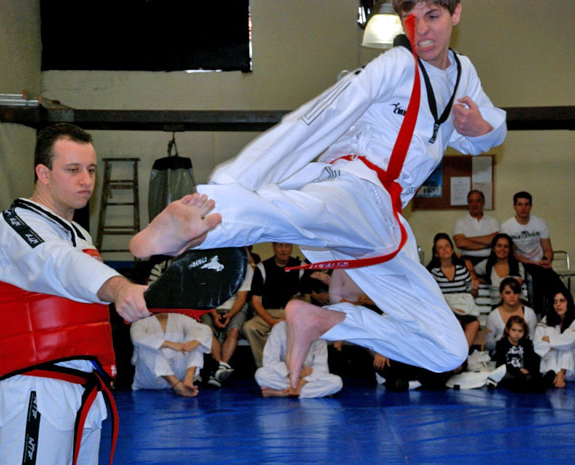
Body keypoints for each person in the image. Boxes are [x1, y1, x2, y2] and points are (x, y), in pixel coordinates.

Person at [132, 0, 506, 389]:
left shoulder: (464, 75)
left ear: (456, 13)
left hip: (384, 225)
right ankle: (207, 217)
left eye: (433, 17)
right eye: (410, 20)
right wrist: (232, 180)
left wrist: (481, 126)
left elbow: (491, 131)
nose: (422, 31)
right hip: (354, 184)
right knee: (301, 211)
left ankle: (326, 320)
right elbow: (319, 118)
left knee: (447, 349)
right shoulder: (396, 65)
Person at [0, 123, 221, 465]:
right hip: (36, 389)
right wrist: (119, 287)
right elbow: (61, 265)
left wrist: (177, 248)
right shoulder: (15, 225)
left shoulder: (78, 234)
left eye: (90, 170)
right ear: (43, 173)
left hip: (85, 387)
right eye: (73, 170)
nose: (86, 180)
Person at [500, 191, 566, 314]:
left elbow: (548, 250)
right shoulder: (507, 227)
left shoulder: (540, 223)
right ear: (514, 206)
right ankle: (537, 314)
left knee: (559, 288)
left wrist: (546, 260)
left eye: (526, 204)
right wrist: (533, 263)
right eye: (520, 204)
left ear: (531, 206)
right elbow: (512, 254)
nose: (523, 208)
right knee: (535, 280)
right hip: (521, 263)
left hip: (540, 264)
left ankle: (561, 316)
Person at [243, 242, 303, 367]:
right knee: (249, 328)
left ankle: (293, 366)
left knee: (302, 328)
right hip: (267, 313)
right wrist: (271, 321)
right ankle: (266, 366)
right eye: (279, 246)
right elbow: (255, 301)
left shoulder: (301, 267)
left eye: (287, 246)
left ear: (291, 248)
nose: (283, 250)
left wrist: (287, 317)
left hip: (292, 314)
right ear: (273, 247)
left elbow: (305, 298)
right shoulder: (262, 268)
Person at [200, 258, 254, 386]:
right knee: (207, 331)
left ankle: (218, 370)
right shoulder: (207, 265)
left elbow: (242, 298)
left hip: (235, 308)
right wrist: (214, 315)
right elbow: (205, 295)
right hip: (210, 307)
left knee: (234, 331)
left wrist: (230, 315)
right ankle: (220, 368)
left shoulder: (245, 267)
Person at [130, 313, 212, 397]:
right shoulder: (141, 321)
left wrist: (195, 342)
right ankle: (176, 385)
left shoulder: (179, 318)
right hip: (151, 377)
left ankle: (188, 380)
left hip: (180, 376)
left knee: (196, 339)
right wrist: (170, 344)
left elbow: (205, 329)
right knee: (146, 346)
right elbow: (136, 337)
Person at [255, 321, 343, 398]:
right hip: (287, 375)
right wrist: (295, 375)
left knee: (336, 382)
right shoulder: (279, 328)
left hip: (308, 378)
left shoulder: (318, 333)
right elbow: (270, 361)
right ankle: (307, 393)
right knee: (261, 374)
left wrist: (301, 382)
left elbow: (321, 367)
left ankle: (283, 393)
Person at [427, 233, 480, 349]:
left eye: (447, 246)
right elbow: (431, 297)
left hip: (462, 310)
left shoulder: (462, 270)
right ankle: (454, 357)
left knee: (474, 324)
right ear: (436, 254)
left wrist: (475, 289)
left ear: (452, 250)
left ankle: (461, 356)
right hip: (444, 312)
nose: (445, 249)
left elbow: (472, 295)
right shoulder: (433, 273)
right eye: (440, 248)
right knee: (456, 323)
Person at [493, 316, 549, 392]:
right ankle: (535, 386)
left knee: (531, 376)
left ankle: (539, 383)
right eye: (514, 330)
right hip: (510, 373)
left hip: (524, 373)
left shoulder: (527, 344)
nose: (517, 334)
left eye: (520, 331)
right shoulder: (501, 344)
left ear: (524, 332)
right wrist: (517, 370)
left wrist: (529, 371)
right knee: (512, 377)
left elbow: (532, 360)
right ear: (507, 330)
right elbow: (501, 364)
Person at [533, 290, 575, 388]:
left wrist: (550, 341)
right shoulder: (546, 319)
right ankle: (555, 377)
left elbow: (572, 341)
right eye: (555, 302)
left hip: (570, 371)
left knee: (568, 336)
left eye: (562, 301)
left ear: (568, 302)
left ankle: (561, 374)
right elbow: (537, 345)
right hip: (548, 370)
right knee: (552, 331)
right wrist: (562, 343)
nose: (558, 305)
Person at [485, 278, 537, 353]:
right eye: (508, 293)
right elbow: (488, 344)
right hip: (501, 355)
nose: (512, 296)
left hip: (525, 354)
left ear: (519, 294)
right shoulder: (493, 316)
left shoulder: (530, 313)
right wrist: (503, 339)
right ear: (501, 294)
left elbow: (534, 340)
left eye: (515, 292)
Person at [474, 233, 525, 305]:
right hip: (497, 307)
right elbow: (472, 271)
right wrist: (482, 279)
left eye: (506, 246)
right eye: (499, 246)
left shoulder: (517, 265)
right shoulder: (486, 264)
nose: (502, 249)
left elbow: (514, 287)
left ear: (510, 250)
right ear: (494, 248)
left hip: (516, 305)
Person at [453, 189, 499, 265]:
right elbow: (460, 243)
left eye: (478, 201)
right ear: (468, 204)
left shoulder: (493, 220)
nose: (474, 204)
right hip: (467, 260)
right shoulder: (460, 222)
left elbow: (495, 241)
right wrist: (487, 243)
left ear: (483, 203)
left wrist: (467, 239)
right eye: (471, 201)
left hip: (489, 259)